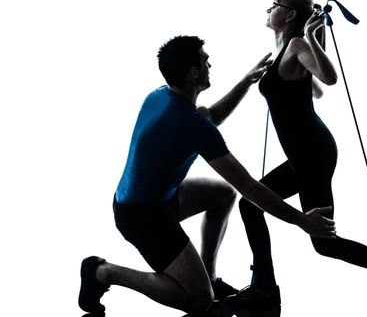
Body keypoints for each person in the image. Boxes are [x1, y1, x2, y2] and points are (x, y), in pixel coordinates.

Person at [78, 35, 337, 316]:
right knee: (199, 302)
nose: (209, 63)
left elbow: (210, 115)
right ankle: (103, 272)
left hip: (157, 198)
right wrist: (301, 220)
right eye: (205, 60)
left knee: (223, 194)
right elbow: (250, 187)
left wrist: (246, 81)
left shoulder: (161, 96)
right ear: (193, 72)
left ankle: (209, 278)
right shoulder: (189, 124)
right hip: (141, 216)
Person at [224, 0, 367, 315]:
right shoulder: (283, 49)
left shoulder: (297, 44)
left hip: (313, 154)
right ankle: (263, 286)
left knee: (323, 242)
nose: (268, 8)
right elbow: (314, 88)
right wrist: (266, 77)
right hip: (302, 156)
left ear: (289, 14)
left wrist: (311, 36)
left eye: (274, 4)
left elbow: (329, 79)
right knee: (250, 205)